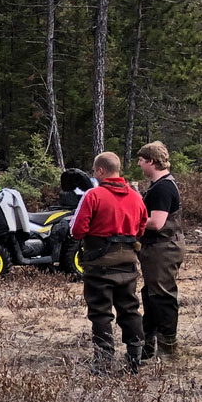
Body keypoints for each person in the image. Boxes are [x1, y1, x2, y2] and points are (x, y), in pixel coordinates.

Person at [71, 151, 147, 374]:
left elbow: (77, 231)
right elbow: (140, 229)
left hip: (99, 265)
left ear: (101, 171)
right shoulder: (136, 197)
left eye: (95, 171)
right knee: (130, 309)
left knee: (101, 313)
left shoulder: (93, 196)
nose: (94, 175)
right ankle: (136, 356)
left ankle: (103, 363)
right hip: (128, 264)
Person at [136, 142, 183, 360]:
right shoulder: (159, 185)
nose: (139, 164)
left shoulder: (163, 187)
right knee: (151, 295)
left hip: (163, 248)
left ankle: (168, 350)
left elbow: (156, 223)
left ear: (151, 161)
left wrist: (129, 219)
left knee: (162, 297)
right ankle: (149, 346)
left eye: (141, 160)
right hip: (158, 248)